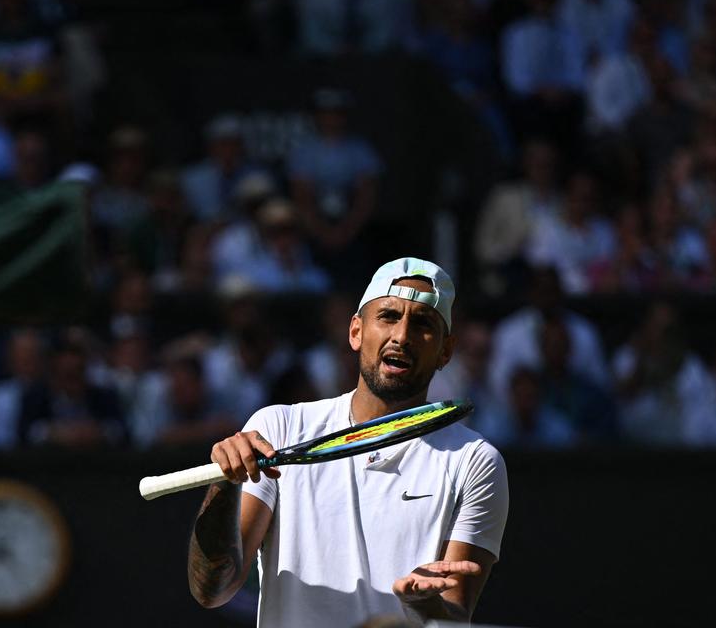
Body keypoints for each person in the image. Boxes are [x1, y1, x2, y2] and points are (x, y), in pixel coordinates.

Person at [187, 258, 508, 627]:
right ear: (356, 331)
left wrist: (426, 606)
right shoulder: (278, 427)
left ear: (446, 350)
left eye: (422, 324)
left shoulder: (476, 461)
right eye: (388, 316)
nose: (401, 336)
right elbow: (212, 590)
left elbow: (454, 616)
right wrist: (224, 484)